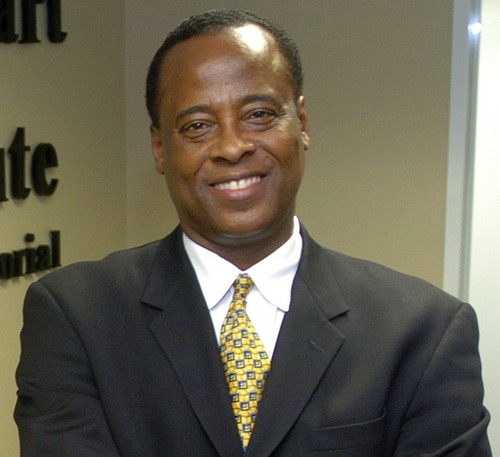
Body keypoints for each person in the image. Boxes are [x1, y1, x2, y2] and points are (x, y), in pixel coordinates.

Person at [14, 9, 492, 457]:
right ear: (159, 147)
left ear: (301, 122)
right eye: (197, 125)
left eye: (259, 115)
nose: (232, 146)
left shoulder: (423, 330)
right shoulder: (76, 316)